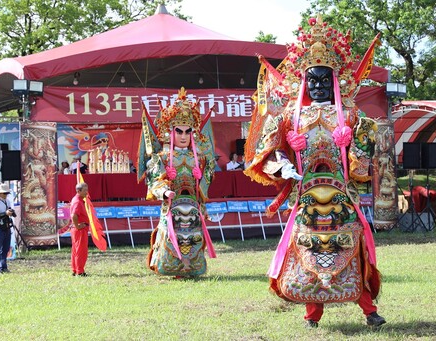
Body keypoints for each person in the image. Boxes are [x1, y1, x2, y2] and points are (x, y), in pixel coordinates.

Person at [244, 15, 385, 328]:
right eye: (313, 79)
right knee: (310, 253)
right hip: (306, 196)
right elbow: (263, 155)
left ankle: (369, 310)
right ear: (303, 81)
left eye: (325, 80)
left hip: (342, 196)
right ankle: (312, 314)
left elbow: (362, 166)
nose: (319, 86)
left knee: (349, 250)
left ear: (335, 80)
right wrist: (283, 163)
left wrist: (355, 146)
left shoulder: (349, 114)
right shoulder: (286, 117)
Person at [138, 87, 216, 278]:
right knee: (171, 237)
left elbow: (208, 178)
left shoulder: (198, 157)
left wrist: (201, 176)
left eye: (187, 132)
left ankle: (192, 267)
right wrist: (164, 190)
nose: (183, 136)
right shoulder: (162, 157)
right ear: (170, 132)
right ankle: (172, 267)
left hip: (192, 206)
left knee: (192, 236)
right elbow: (154, 179)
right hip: (172, 205)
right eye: (179, 131)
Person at [70, 182, 90, 276]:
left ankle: (75, 269)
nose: (87, 192)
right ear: (78, 191)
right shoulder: (77, 202)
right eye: (85, 190)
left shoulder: (78, 200)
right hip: (80, 229)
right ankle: (80, 271)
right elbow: (74, 215)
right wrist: (77, 226)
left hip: (78, 229)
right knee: (81, 251)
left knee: (76, 250)